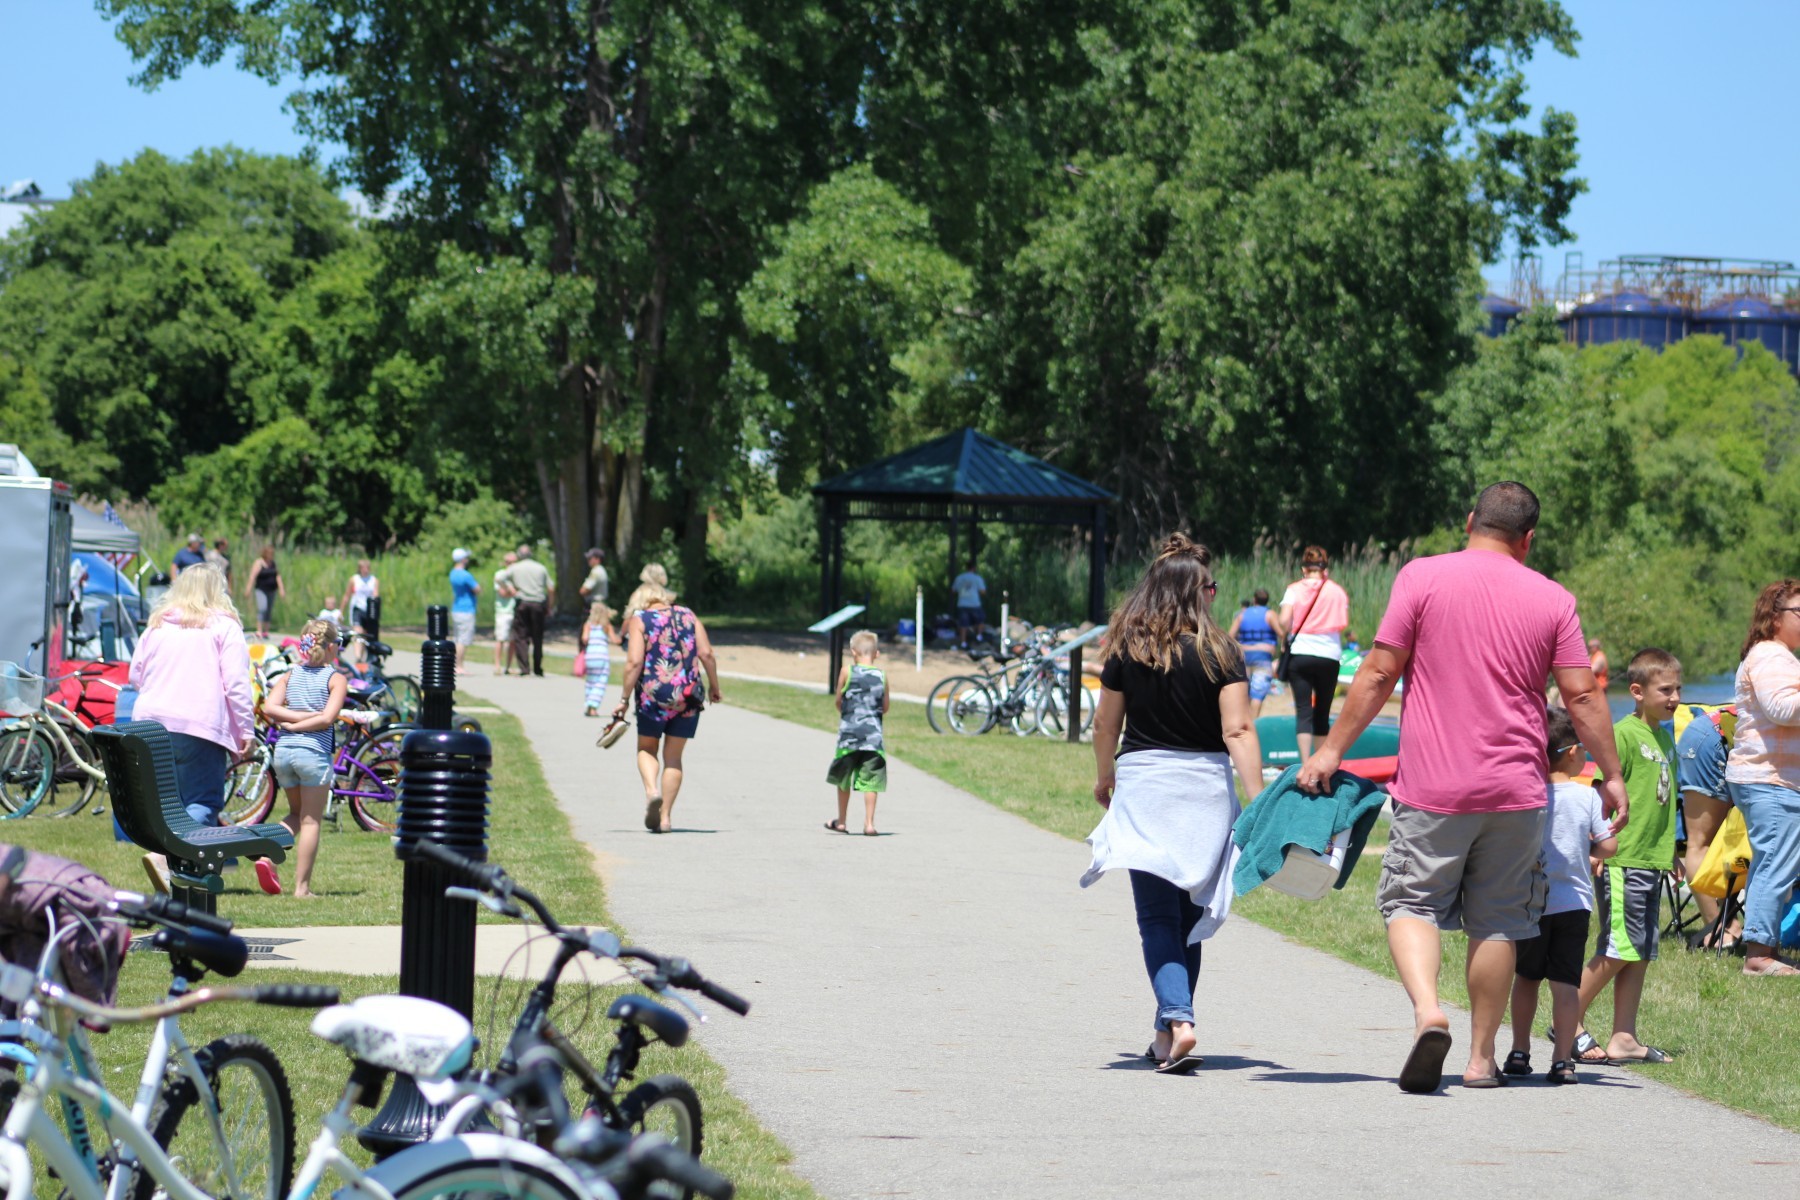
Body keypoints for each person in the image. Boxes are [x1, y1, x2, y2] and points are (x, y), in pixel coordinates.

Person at [1297, 482, 1626, 1093]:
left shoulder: (1420, 578)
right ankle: (1480, 1059)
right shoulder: (1554, 598)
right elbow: (1581, 694)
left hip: (1434, 786)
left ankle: (1429, 1012)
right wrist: (1610, 774)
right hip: (1517, 791)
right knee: (1498, 920)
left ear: (1471, 520)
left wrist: (1332, 748)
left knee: (1411, 902)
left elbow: (1377, 671)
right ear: (1528, 539)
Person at [1079, 534, 1264, 1075]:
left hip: (1146, 786)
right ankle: (1167, 1033)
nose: (1214, 594)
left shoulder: (1128, 648)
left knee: (1157, 917)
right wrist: (1258, 801)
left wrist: (1105, 774)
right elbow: (1239, 728)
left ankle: (1179, 1020)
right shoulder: (1221, 651)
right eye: (1210, 586)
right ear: (1195, 591)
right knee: (1190, 917)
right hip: (1204, 789)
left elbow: (1104, 724)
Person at [1567, 647, 1681, 1065]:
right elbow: (1602, 793)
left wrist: (1670, 852)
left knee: (1640, 950)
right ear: (1637, 691)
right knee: (1619, 946)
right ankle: (1569, 1021)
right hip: (1623, 859)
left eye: (1678, 689)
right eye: (1665, 689)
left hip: (1651, 858)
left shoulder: (1665, 735)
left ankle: (1624, 1037)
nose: (1674, 697)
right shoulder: (1624, 735)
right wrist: (1597, 847)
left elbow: (1662, 802)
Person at [1505, 707, 1618, 1084]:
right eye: (1584, 750)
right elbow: (1610, 845)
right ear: (1572, 753)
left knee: (1525, 978)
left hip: (1531, 902)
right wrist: (1591, 855)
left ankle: (1520, 1051)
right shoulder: (1587, 798)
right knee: (1566, 985)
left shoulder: (1528, 793)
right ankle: (1561, 1061)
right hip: (1573, 905)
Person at [127, 564, 255, 894]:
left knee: (168, 805)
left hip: (149, 727)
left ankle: (172, 874)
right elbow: (237, 685)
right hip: (198, 726)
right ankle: (165, 860)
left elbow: (135, 676)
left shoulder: (157, 626)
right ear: (218, 591)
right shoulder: (225, 628)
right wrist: (246, 732)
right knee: (201, 802)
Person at [1723, 579, 1800, 977]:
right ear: (1775, 617)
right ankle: (1759, 957)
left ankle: (1761, 946)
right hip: (1769, 778)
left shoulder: (1776, 655)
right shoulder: (1772, 655)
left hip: (1769, 778)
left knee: (1774, 863)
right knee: (1775, 864)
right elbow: (1783, 709)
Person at [611, 579, 721, 834]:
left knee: (647, 748)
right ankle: (665, 818)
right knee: (673, 757)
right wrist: (715, 687)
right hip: (688, 696)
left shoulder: (641, 620)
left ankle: (652, 792)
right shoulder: (688, 615)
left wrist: (624, 699)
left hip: (653, 697)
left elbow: (634, 662)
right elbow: (707, 654)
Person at [255, 618, 348, 899]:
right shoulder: (336, 678)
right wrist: (306, 720)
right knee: (311, 821)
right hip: (312, 755)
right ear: (331, 647)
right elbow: (327, 718)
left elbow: (270, 706)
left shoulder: (291, 674)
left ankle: (267, 856)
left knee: (296, 815)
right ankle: (302, 889)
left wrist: (292, 724)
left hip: (284, 753)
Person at [1279, 547, 1350, 761]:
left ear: (1304, 569)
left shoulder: (1293, 589)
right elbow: (1343, 623)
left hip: (1301, 652)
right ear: (1325, 569)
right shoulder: (1337, 591)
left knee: (1303, 711)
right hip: (1329, 654)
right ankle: (1319, 762)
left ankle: (1304, 762)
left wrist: (1285, 635)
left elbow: (1283, 621)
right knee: (1323, 712)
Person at [1675, 702, 1738, 942]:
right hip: (1711, 739)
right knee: (1701, 843)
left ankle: (1728, 924)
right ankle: (1719, 930)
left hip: (1720, 738)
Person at [825, 630, 889, 837]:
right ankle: (869, 823)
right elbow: (885, 706)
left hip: (848, 737)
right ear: (876, 654)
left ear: (853, 652)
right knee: (871, 781)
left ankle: (842, 821)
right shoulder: (882, 676)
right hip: (873, 740)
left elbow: (838, 700)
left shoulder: (847, 671)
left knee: (843, 779)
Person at [1227, 589, 1283, 718]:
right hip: (1263, 656)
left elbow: (1230, 635)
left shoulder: (1242, 614)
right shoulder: (1270, 614)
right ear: (1267, 600)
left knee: (1245, 691)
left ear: (1254, 599)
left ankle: (1244, 719)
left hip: (1244, 656)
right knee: (1258, 692)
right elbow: (1280, 633)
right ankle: (1253, 723)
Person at [508, 543, 555, 676]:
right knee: (538, 637)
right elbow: (551, 588)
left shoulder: (514, 568)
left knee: (521, 636)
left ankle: (524, 668)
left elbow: (500, 578)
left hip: (522, 603)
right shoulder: (541, 568)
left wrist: (511, 588)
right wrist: (549, 606)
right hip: (538, 604)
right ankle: (538, 668)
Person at [581, 601, 617, 717]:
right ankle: (593, 707)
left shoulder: (588, 625)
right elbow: (615, 640)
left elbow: (585, 638)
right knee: (600, 682)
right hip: (601, 656)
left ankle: (588, 705)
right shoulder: (606, 626)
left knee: (590, 681)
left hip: (590, 656)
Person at [341, 559, 379, 664]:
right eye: (363, 568)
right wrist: (341, 611)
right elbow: (347, 595)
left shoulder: (373, 580)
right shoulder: (354, 579)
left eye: (367, 568)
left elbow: (376, 595)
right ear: (360, 569)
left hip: (369, 611)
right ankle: (358, 656)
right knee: (358, 633)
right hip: (357, 609)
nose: (365, 570)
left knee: (365, 635)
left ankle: (361, 659)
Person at [448, 548, 481, 672]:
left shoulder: (452, 573)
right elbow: (477, 589)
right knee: (463, 639)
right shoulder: (465, 575)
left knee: (457, 638)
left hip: (456, 608)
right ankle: (459, 666)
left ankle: (455, 664)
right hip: (466, 609)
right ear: (462, 559)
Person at [244, 546, 284, 639]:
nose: (271, 555)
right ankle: (259, 630)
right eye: (270, 553)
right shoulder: (259, 563)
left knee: (269, 610)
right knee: (263, 608)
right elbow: (252, 576)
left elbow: (277, 576)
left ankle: (266, 631)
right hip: (261, 589)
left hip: (272, 589)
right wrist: (248, 589)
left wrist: (281, 588)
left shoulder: (273, 563)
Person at [493, 551, 519, 675]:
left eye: (514, 562)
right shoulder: (500, 575)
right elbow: (502, 593)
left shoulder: (518, 575)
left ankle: (509, 666)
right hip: (503, 611)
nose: (511, 565)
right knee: (500, 639)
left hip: (515, 611)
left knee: (513, 640)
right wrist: (514, 592)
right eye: (509, 562)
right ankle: (497, 665)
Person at [951, 562, 987, 649]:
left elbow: (953, 590)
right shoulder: (977, 578)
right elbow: (983, 591)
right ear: (974, 568)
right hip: (975, 604)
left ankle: (963, 642)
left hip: (962, 603)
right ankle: (979, 636)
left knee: (963, 624)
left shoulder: (959, 578)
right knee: (980, 621)